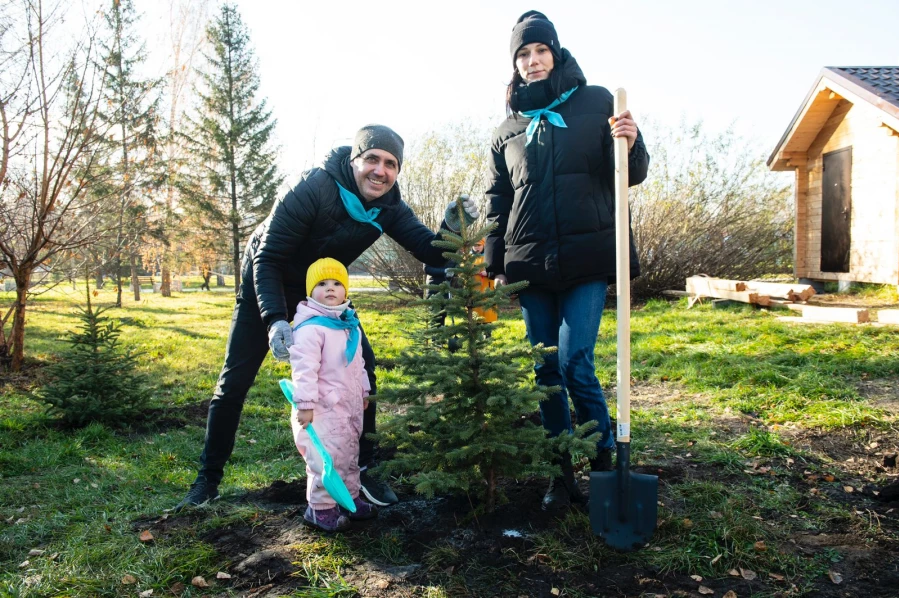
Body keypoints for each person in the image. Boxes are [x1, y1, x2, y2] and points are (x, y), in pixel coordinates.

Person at [175, 124, 478, 511]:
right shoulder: (313, 188)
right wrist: (275, 320)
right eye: (371, 159)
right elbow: (267, 259)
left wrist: (452, 228)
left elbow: (430, 252)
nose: (380, 171)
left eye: (390, 164)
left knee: (362, 369)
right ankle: (207, 480)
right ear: (354, 160)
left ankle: (364, 466)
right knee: (234, 382)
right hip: (267, 279)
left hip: (324, 292)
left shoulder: (388, 208)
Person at [483, 11, 649, 511]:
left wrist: (632, 140)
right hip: (529, 263)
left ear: (556, 53)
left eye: (540, 51)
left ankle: (601, 458)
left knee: (576, 360)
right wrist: (494, 264)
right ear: (516, 65)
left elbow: (631, 173)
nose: (533, 62)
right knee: (545, 371)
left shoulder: (596, 101)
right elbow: (497, 199)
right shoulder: (506, 129)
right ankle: (561, 471)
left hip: (588, 256)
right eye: (523, 55)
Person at [289, 258, 376, 532]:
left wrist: (363, 390)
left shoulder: (348, 324)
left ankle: (350, 498)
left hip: (347, 406)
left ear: (346, 291)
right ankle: (320, 508)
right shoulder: (310, 329)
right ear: (309, 292)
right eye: (322, 284)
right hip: (321, 410)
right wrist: (304, 404)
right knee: (324, 458)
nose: (330, 289)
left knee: (350, 452)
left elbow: (358, 363)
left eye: (337, 283)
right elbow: (304, 369)